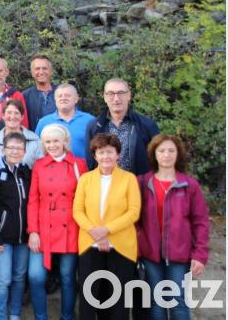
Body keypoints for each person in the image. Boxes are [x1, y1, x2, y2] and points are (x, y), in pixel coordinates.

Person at [138, 135, 209, 320]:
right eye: (161, 151)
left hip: (180, 256)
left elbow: (201, 222)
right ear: (154, 154)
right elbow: (134, 218)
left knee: (178, 301)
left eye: (171, 151)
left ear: (178, 155)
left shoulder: (189, 185)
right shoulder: (143, 183)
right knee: (157, 302)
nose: (166, 155)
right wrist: (138, 244)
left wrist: (200, 255)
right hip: (150, 254)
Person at [73, 133, 141, 319]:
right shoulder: (86, 179)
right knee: (89, 298)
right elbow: (78, 211)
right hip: (90, 245)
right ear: (95, 155)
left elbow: (133, 212)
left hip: (120, 246)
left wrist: (106, 231)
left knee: (116, 300)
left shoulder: (129, 179)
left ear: (118, 154)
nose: (105, 157)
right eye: (101, 152)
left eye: (110, 152)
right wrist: (96, 233)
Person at [27, 124, 87, 320]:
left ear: (65, 142)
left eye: (55, 141)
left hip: (70, 226)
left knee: (68, 277)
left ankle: (67, 316)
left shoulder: (79, 164)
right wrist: (33, 231)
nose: (52, 145)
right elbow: (33, 200)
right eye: (48, 142)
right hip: (43, 227)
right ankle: (41, 317)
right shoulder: (39, 165)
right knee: (36, 276)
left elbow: (86, 198)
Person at [0, 132, 33, 320]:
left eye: (19, 148)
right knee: (3, 279)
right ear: (3, 149)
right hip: (1, 237)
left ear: (25, 151)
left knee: (19, 277)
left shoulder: (28, 173)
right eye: (11, 147)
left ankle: (15, 313)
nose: (15, 151)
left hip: (24, 237)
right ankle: (1, 315)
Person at [86, 78, 160, 175]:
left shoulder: (147, 125)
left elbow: (158, 159)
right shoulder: (94, 126)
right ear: (104, 97)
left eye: (121, 93)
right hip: (106, 186)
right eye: (111, 93)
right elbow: (91, 162)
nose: (116, 98)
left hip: (138, 186)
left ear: (129, 95)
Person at [34, 83, 95, 160]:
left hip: (83, 170)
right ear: (55, 100)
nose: (63, 98)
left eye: (67, 95)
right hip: (52, 170)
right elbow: (36, 150)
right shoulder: (43, 122)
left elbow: (98, 149)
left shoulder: (90, 121)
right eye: (60, 96)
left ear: (76, 99)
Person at [0, 99, 43, 169]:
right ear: (3, 116)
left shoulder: (35, 140)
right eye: (9, 113)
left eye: (16, 113)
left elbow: (40, 169)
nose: (12, 117)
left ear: (22, 117)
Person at [22, 55, 58, 133]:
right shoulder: (25, 96)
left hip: (62, 139)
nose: (41, 72)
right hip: (36, 140)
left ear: (51, 71)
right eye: (37, 69)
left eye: (44, 68)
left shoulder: (62, 92)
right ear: (32, 73)